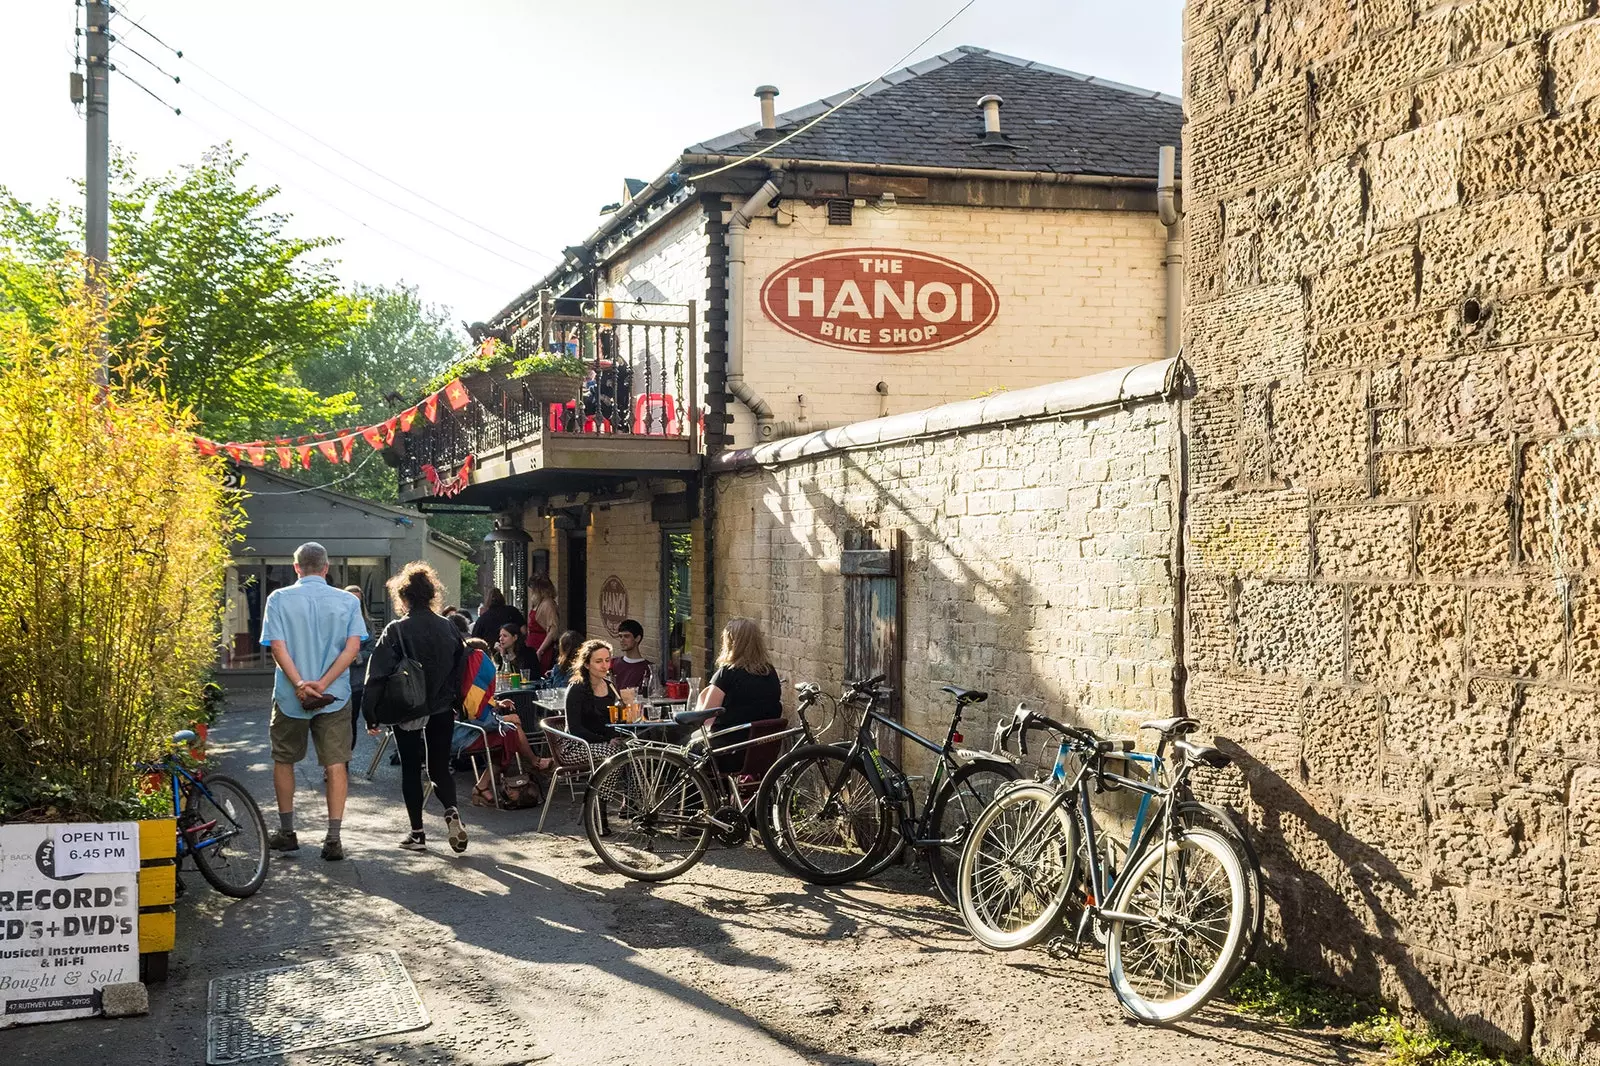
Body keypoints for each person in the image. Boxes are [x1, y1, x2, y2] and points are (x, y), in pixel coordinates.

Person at [259, 542, 367, 861]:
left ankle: (287, 831)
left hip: (291, 695)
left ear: (296, 568)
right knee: (335, 764)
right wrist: (322, 683)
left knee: (284, 759)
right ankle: (333, 838)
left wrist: (301, 684)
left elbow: (277, 648)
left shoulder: (278, 599)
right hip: (335, 696)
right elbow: (351, 650)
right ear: (326, 567)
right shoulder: (347, 601)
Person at [362, 562, 470, 854]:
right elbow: (460, 667)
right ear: (431, 595)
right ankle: (451, 809)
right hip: (442, 707)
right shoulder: (449, 627)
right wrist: (456, 702)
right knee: (439, 767)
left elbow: (377, 674)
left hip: (407, 706)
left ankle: (418, 834)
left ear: (404, 598)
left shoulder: (396, 630)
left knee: (410, 768)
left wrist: (370, 713)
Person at [457, 638, 553, 806]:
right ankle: (533, 763)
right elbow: (477, 716)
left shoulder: (464, 676)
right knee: (511, 731)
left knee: (511, 730)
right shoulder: (472, 677)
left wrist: (498, 704)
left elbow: (479, 704)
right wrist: (503, 718)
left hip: (470, 730)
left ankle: (484, 785)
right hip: (465, 735)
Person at [697, 618, 783, 772]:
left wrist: (699, 700)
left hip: (728, 752)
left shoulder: (727, 673)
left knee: (682, 749)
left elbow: (705, 719)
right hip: (760, 753)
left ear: (730, 642)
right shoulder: (770, 672)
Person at [560, 640, 625, 768]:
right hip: (576, 745)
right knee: (615, 755)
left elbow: (612, 721)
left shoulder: (610, 686)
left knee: (637, 752)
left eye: (607, 660)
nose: (604, 666)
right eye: (598, 661)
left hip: (605, 742)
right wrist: (606, 740)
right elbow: (575, 729)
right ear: (587, 664)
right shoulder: (577, 688)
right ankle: (603, 789)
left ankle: (638, 788)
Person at [344, 584, 374, 758]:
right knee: (332, 724)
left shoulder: (367, 624)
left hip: (356, 682)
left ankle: (345, 760)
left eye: (357, 600)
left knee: (351, 722)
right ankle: (332, 764)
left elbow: (372, 650)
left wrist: (357, 656)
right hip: (334, 681)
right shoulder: (335, 621)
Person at [525, 575, 560, 674]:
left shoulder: (548, 604)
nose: (531, 591)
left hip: (541, 647)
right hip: (532, 645)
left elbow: (553, 631)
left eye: (533, 589)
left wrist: (540, 650)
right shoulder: (539, 603)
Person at [611, 619, 652, 692]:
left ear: (637, 638)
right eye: (620, 636)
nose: (622, 640)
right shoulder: (613, 663)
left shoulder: (648, 668)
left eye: (626, 636)